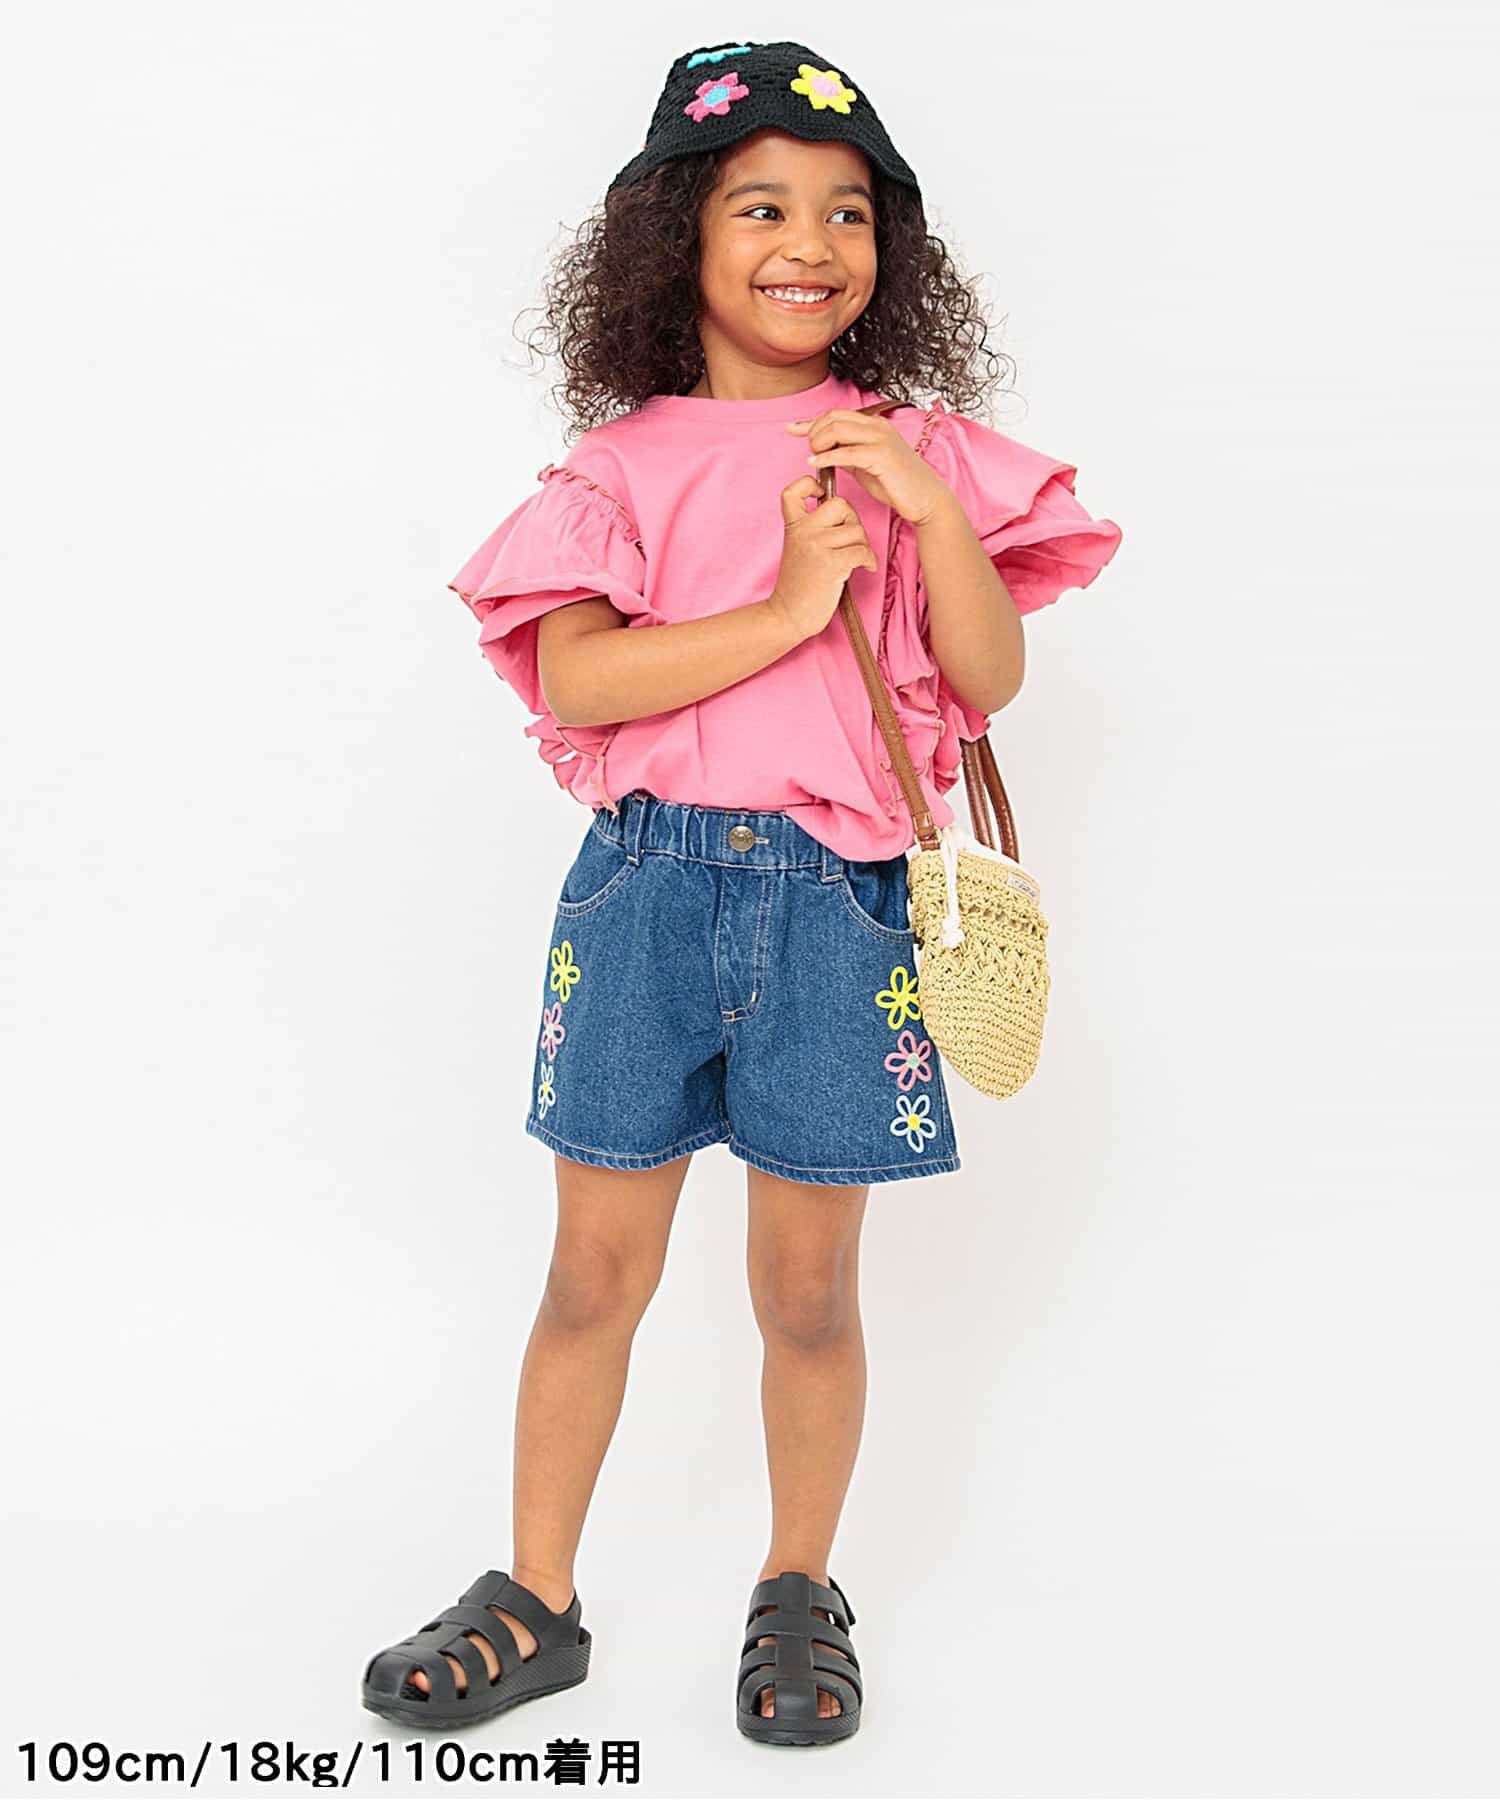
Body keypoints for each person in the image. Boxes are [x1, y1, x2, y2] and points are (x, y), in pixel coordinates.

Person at [361, 37, 1123, 1748]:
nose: (810, 242)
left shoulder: (918, 450)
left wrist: (930, 516)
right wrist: (784, 611)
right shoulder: (622, 469)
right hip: (646, 893)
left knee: (807, 1289)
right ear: (678, 241)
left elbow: (985, 678)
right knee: (592, 1272)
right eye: (763, 206)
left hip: (840, 906)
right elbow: (580, 678)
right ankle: (537, 1596)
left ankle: (797, 1584)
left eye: (848, 211)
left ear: (888, 252)